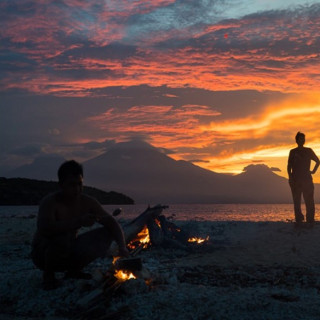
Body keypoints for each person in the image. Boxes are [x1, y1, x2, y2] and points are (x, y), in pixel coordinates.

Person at [31, 160, 129, 290]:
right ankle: (48, 276)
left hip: (69, 250)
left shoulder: (87, 202)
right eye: (72, 185)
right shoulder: (50, 203)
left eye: (80, 184)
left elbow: (111, 222)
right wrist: (78, 222)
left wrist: (122, 246)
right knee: (62, 237)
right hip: (42, 254)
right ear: (61, 185)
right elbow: (45, 229)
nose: (77, 189)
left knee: (106, 233)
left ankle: (74, 270)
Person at [287, 132, 319, 224]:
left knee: (309, 201)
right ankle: (299, 219)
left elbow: (317, 161)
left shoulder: (308, 151)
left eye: (303, 139)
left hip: (307, 179)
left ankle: (310, 219)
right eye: (300, 139)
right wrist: (290, 177)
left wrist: (313, 171)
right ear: (296, 140)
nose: (302, 140)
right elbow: (289, 165)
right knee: (297, 201)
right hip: (296, 180)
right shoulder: (293, 152)